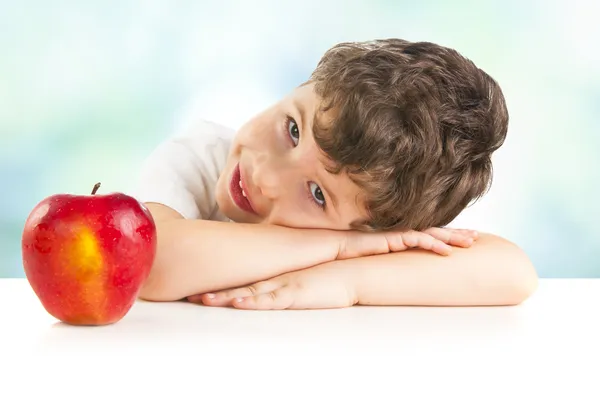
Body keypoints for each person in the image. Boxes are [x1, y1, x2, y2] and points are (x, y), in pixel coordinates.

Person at [133, 38, 538, 310]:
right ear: (301, 86)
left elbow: (513, 273)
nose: (266, 178)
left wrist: (350, 281)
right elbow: (150, 261)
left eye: (318, 194)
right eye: (293, 129)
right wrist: (339, 245)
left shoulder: (365, 237)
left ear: (369, 230)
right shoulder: (200, 157)